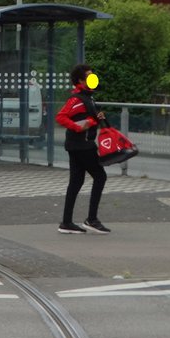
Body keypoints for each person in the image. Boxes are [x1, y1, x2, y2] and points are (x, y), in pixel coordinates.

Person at [55, 63, 109, 235]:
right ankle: (91, 220)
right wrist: (80, 127)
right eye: (89, 76)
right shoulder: (77, 99)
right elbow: (61, 116)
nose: (92, 78)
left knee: (76, 182)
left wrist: (96, 117)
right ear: (80, 80)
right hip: (82, 145)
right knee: (100, 176)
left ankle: (66, 222)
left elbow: (85, 118)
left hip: (76, 145)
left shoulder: (87, 97)